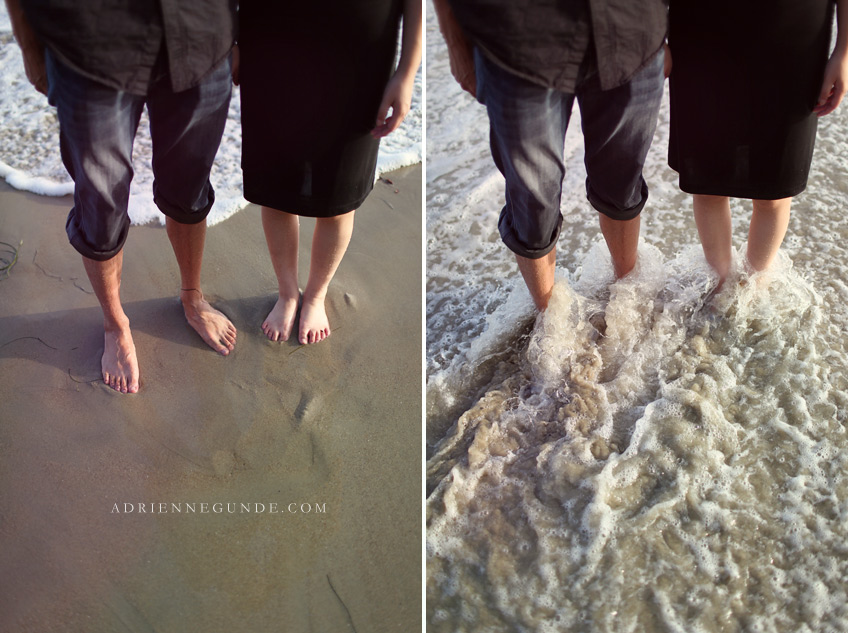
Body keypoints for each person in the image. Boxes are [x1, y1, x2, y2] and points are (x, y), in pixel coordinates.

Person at [5, 0, 239, 394]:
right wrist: (29, 44)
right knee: (101, 205)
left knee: (189, 184)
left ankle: (192, 297)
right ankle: (115, 323)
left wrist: (244, 30)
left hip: (201, 30)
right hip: (87, 43)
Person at [433, 0, 669, 311]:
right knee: (533, 202)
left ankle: (627, 294)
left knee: (621, 180)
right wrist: (455, 42)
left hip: (633, 26)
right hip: (516, 39)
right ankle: (548, 318)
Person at [236, 1, 422, 345]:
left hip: (361, 57)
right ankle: (288, 292)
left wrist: (407, 71)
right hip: (271, 40)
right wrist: (232, 38)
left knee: (339, 196)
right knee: (275, 188)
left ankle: (316, 295)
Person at [668, 0, 848, 288]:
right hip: (701, 32)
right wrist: (657, 39)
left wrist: (844, 52)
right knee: (707, 181)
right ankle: (720, 287)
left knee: (774, 191)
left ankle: (753, 289)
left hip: (796, 37)